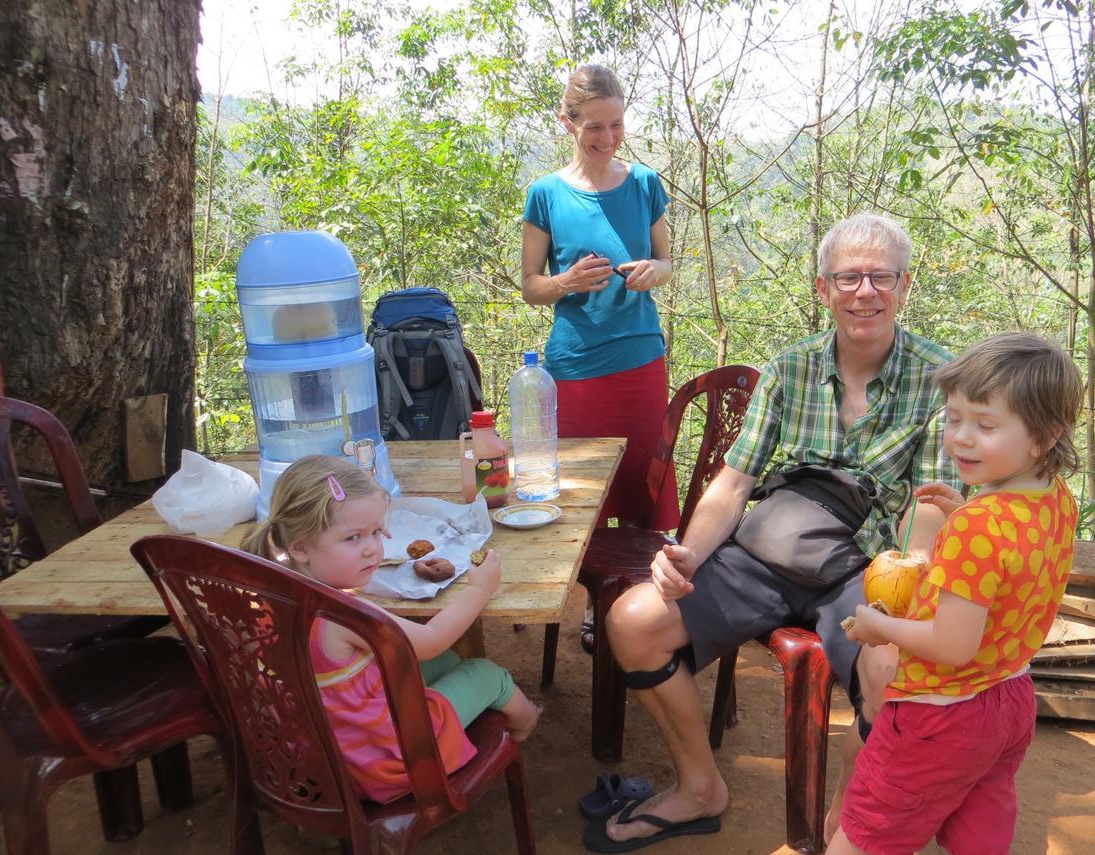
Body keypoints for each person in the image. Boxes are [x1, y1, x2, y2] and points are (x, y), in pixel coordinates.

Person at [591, 213, 962, 852]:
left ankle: (849, 824)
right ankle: (700, 788)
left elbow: (929, 503)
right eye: (848, 278)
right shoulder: (790, 368)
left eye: (880, 277)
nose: (864, 292)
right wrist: (685, 554)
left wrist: (912, 575)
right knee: (632, 621)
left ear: (904, 286)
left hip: (863, 564)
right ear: (823, 290)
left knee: (891, 669)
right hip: (765, 551)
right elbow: (735, 483)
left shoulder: (940, 377)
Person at [829, 332, 1082, 855]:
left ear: (1046, 435)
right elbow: (1014, 564)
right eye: (953, 418)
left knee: (868, 835)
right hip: (1008, 698)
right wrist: (962, 515)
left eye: (985, 425)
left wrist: (878, 629)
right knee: (978, 833)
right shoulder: (1053, 498)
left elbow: (950, 644)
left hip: (938, 713)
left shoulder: (981, 528)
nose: (961, 438)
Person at [240, 455, 540, 803]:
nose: (372, 549)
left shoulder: (267, 592)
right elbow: (429, 641)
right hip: (387, 758)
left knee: (445, 666)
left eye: (376, 533)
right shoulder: (340, 612)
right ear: (300, 547)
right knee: (487, 674)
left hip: (324, 744)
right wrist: (479, 589)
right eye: (353, 538)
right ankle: (526, 723)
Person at [521, 64, 679, 576]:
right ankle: (590, 601)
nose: (607, 138)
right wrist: (565, 282)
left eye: (616, 125)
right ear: (567, 124)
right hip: (578, 367)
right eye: (594, 126)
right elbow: (531, 287)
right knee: (585, 494)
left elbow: (666, 261)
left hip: (641, 360)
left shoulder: (645, 183)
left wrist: (653, 271)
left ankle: (637, 593)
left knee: (641, 488)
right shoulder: (546, 193)